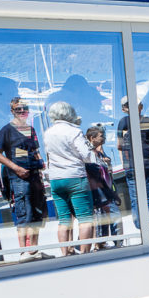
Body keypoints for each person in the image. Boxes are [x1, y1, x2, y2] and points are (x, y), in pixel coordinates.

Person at [0, 96, 48, 261]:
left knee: (37, 213)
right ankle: (24, 252)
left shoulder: (30, 129)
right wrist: (16, 168)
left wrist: (40, 163)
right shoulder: (6, 130)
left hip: (35, 175)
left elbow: (35, 149)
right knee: (24, 214)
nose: (22, 111)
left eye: (25, 108)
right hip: (19, 178)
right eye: (18, 109)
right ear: (12, 111)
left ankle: (34, 250)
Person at [44, 101, 95, 256]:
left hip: (56, 179)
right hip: (74, 176)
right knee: (85, 218)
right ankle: (84, 253)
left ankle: (65, 253)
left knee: (64, 220)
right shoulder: (74, 131)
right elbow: (86, 155)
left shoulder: (48, 133)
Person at [116, 96, 149, 233]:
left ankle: (141, 228)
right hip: (147, 165)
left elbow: (119, 145)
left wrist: (125, 163)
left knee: (135, 199)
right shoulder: (148, 121)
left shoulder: (122, 122)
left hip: (131, 167)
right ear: (140, 107)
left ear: (124, 109)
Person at [85, 125, 120, 249]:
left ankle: (103, 242)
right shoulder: (88, 152)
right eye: (101, 136)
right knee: (99, 216)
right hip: (97, 189)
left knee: (106, 216)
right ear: (92, 137)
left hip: (106, 188)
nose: (103, 138)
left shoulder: (98, 153)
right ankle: (98, 244)